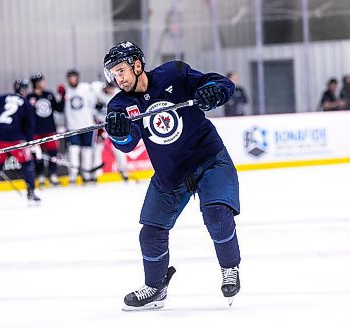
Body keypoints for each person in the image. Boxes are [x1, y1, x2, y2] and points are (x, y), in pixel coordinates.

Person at [103, 41, 241, 311]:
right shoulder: (119, 105)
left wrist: (212, 93)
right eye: (114, 74)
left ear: (137, 65)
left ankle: (230, 268)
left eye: (121, 71)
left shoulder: (173, 74)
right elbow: (128, 143)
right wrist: (119, 132)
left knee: (216, 214)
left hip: (209, 160)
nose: (118, 78)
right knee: (150, 233)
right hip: (171, 174)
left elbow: (221, 84)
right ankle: (156, 287)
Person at [0, 81, 40, 208]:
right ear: (23, 90)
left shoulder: (1, 98)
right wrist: (29, 142)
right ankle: (30, 192)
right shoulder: (26, 103)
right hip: (15, 139)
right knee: (26, 164)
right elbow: (30, 125)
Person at [27, 73, 64, 186]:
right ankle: (40, 175)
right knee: (38, 156)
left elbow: (59, 109)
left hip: (49, 130)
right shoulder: (29, 98)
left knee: (53, 154)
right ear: (36, 83)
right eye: (42, 81)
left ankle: (52, 174)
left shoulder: (49, 95)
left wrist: (62, 96)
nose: (44, 83)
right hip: (35, 132)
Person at [63, 69, 97, 184]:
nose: (72, 79)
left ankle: (86, 175)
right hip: (72, 127)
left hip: (87, 125)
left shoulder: (86, 88)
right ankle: (73, 176)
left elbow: (95, 101)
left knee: (87, 151)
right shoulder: (65, 91)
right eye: (70, 77)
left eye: (74, 77)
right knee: (73, 151)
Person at [92, 81, 128, 182]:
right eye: (109, 87)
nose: (111, 89)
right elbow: (93, 111)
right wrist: (97, 107)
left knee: (119, 149)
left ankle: (124, 172)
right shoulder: (98, 93)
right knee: (97, 149)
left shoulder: (118, 94)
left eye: (112, 87)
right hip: (101, 126)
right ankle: (96, 174)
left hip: (114, 126)